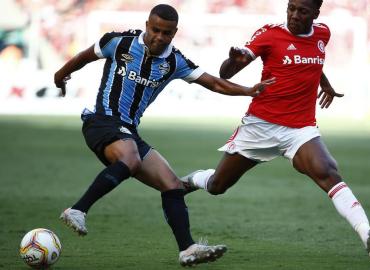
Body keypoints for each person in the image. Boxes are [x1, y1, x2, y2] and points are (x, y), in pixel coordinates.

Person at [54, 4, 274, 267]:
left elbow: (214, 82)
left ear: (174, 33)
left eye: (166, 33)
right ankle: (77, 210)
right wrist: (60, 74)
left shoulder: (174, 61)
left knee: (173, 185)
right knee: (131, 156)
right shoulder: (118, 42)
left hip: (128, 132)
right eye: (155, 29)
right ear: (147, 24)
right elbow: (84, 56)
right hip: (101, 121)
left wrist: (249, 90)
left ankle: (188, 249)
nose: (159, 36)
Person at [181, 0, 370, 260]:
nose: (294, 15)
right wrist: (232, 61)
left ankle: (368, 237)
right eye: (291, 8)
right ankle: (193, 180)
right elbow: (226, 73)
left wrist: (324, 84)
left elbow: (312, 62)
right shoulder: (269, 34)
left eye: (302, 11)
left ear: (315, 14)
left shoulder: (322, 34)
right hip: (260, 126)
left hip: (300, 128)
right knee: (217, 186)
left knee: (328, 171)